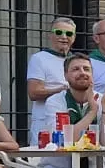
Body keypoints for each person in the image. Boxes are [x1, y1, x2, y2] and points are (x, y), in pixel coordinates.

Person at [26, 16, 78, 145]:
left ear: (74, 37)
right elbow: (33, 93)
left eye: (69, 33)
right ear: (50, 35)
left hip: (72, 124)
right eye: (59, 32)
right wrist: (62, 89)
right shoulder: (39, 58)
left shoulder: (76, 61)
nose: (64, 37)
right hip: (45, 124)